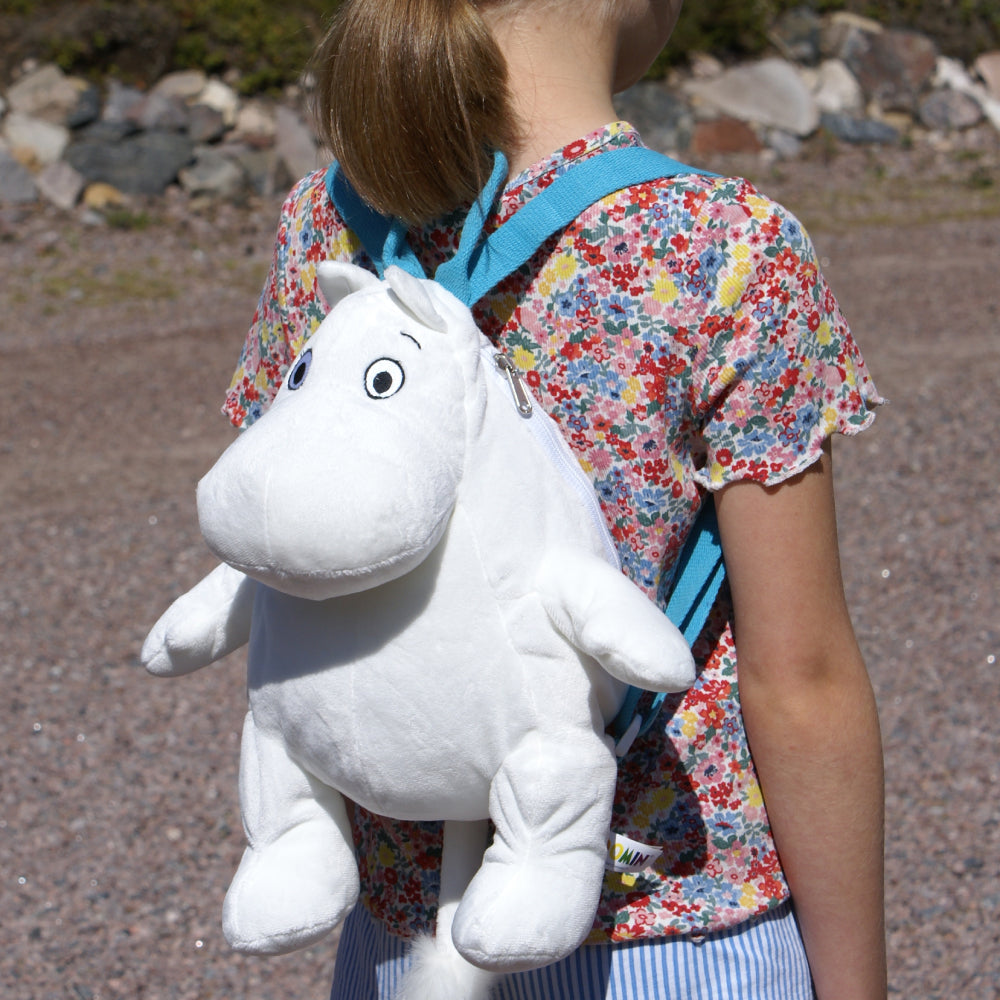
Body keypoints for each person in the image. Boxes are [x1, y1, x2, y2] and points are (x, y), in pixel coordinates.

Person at [223, 1, 887, 997]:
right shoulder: (721, 246)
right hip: (674, 933)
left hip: (408, 944)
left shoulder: (330, 223)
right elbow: (801, 681)